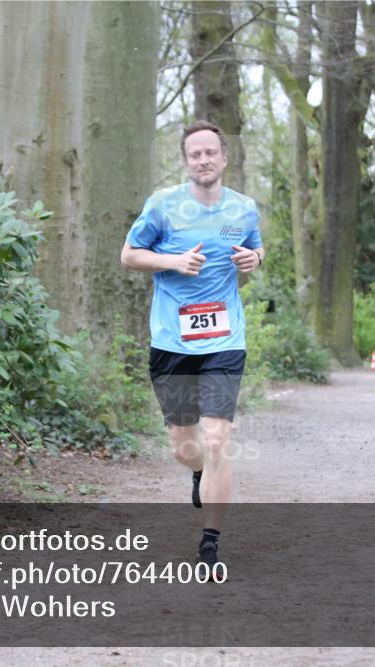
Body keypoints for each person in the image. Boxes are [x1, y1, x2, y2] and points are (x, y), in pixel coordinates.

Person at [120, 120, 264, 574]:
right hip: (171, 340)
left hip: (224, 339)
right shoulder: (163, 206)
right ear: (186, 161)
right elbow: (129, 255)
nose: (203, 160)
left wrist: (254, 258)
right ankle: (198, 472)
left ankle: (210, 542)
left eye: (210, 152)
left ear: (224, 157)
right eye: (194, 154)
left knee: (218, 440)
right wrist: (173, 261)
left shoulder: (244, 210)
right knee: (185, 444)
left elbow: (255, 250)